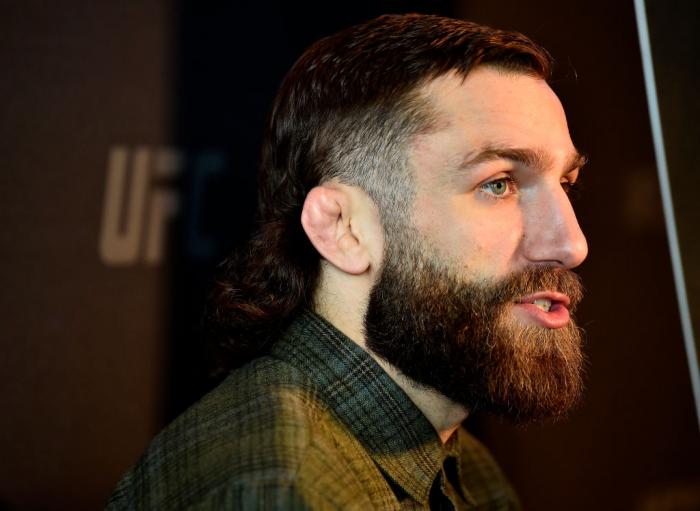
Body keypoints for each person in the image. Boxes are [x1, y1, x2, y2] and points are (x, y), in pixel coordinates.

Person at [107, 13, 588, 510]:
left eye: (566, 184)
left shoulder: (469, 470)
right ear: (343, 228)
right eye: (499, 184)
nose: (571, 244)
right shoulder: (280, 488)